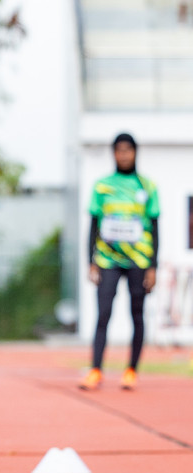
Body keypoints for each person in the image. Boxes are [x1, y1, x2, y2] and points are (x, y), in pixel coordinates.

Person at [83, 133, 158, 391]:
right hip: (107, 259)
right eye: (119, 150)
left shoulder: (147, 187)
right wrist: (90, 260)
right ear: (113, 153)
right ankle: (95, 370)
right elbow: (93, 224)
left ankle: (131, 370)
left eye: (128, 150)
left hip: (139, 259)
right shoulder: (102, 186)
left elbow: (155, 227)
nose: (124, 155)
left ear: (135, 153)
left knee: (137, 313)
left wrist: (153, 265)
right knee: (103, 313)